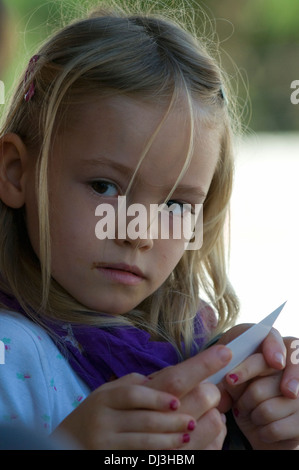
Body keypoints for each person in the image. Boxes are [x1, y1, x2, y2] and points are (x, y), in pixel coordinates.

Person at [0, 2, 298, 450]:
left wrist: (252, 427)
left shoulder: (195, 352)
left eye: (177, 204)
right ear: (15, 172)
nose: (138, 233)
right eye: (103, 186)